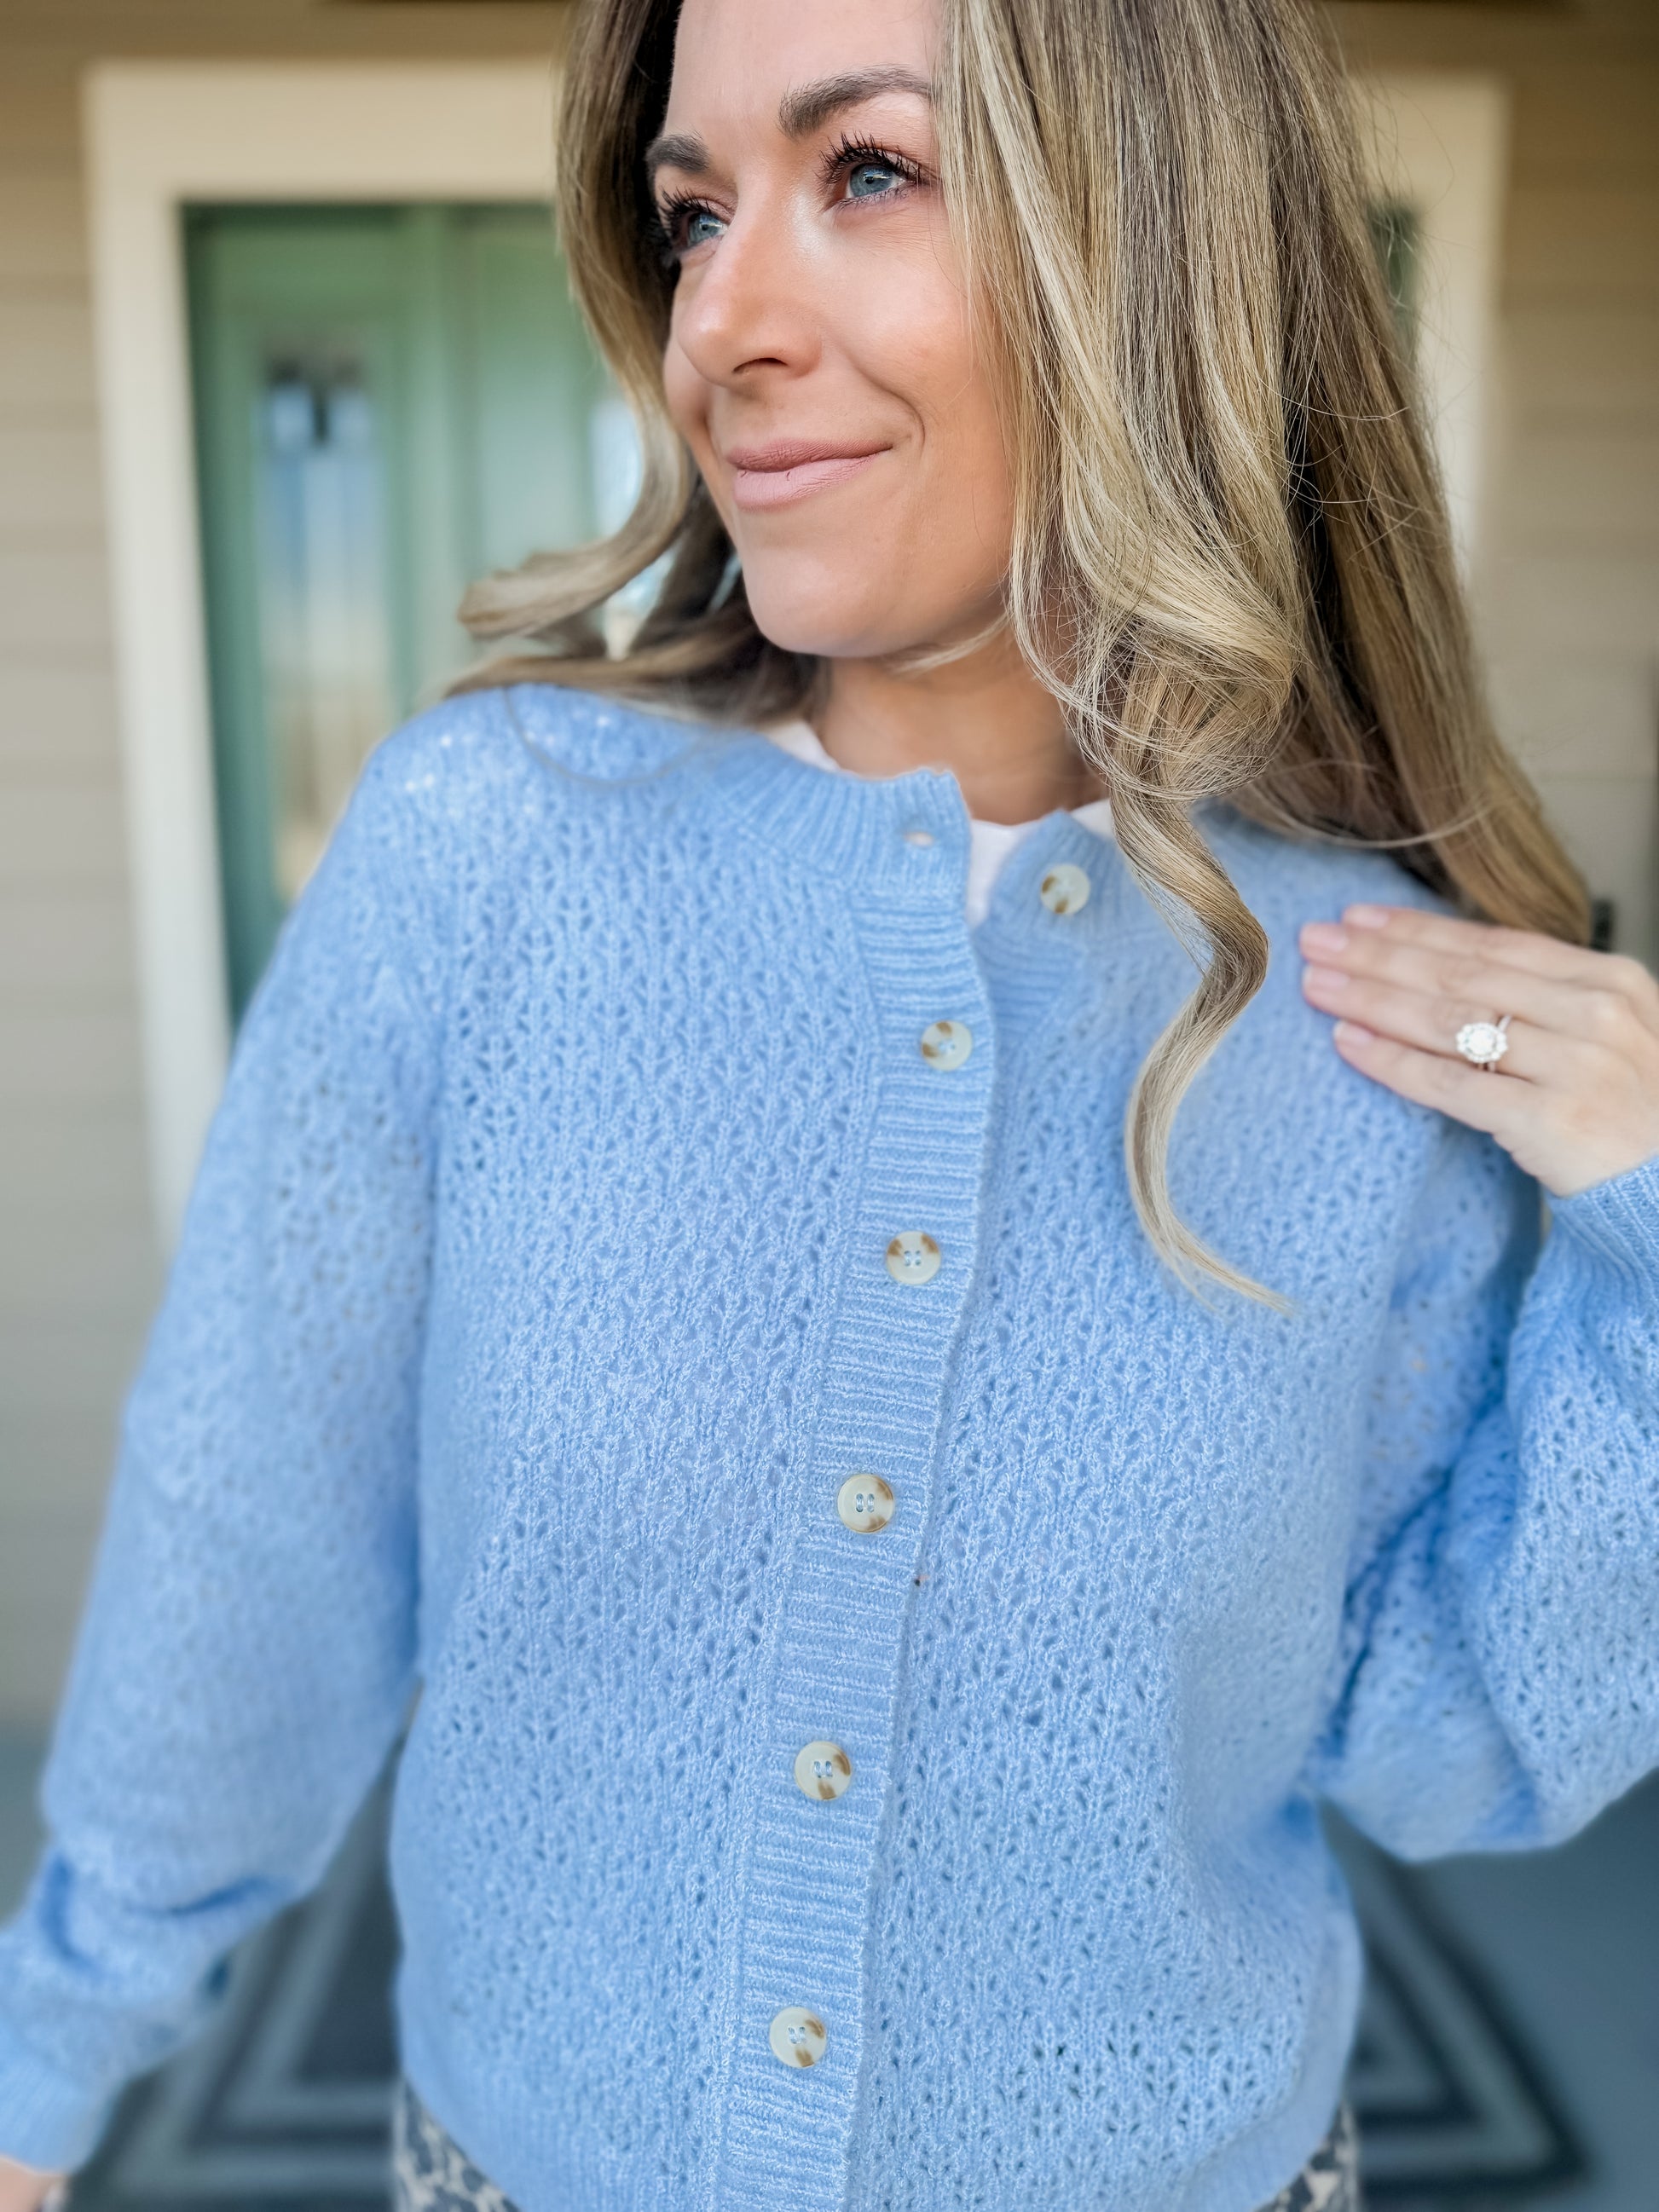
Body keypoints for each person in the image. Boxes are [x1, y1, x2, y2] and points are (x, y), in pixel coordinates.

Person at [3, 0, 1657, 2203]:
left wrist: (1646, 1247)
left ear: (1146, 240)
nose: (722, 325)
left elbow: (1445, 1734)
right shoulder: (492, 851)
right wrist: (45, 2061)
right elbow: (253, 1543)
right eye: (690, 217)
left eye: (863, 173)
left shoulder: (1366, 985)